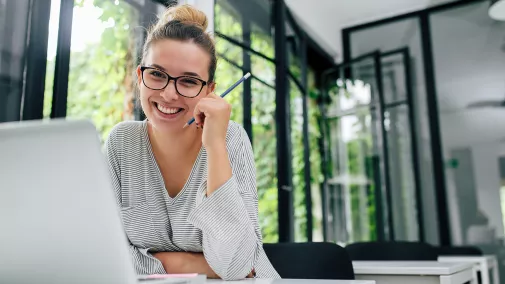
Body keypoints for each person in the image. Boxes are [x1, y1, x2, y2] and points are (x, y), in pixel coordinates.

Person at [104, 4, 280, 281]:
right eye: (157, 74)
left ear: (209, 91)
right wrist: (198, 267)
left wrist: (215, 146)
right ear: (140, 76)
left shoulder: (231, 138)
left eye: (188, 81)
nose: (169, 94)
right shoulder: (121, 142)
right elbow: (106, 254)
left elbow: (237, 266)